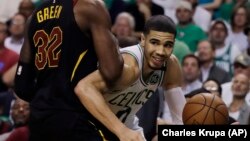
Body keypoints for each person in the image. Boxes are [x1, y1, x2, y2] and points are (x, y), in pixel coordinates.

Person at [14, 0, 124, 141]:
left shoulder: (33, 17)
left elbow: (22, 87)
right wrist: (115, 43)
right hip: (76, 117)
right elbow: (112, 72)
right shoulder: (90, 7)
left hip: (39, 119)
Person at [74, 15, 186, 140]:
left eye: (168, 45)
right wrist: (121, 131)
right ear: (143, 39)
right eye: (154, 43)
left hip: (125, 124)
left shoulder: (171, 66)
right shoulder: (130, 67)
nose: (160, 51)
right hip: (90, 121)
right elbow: (84, 88)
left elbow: (180, 121)